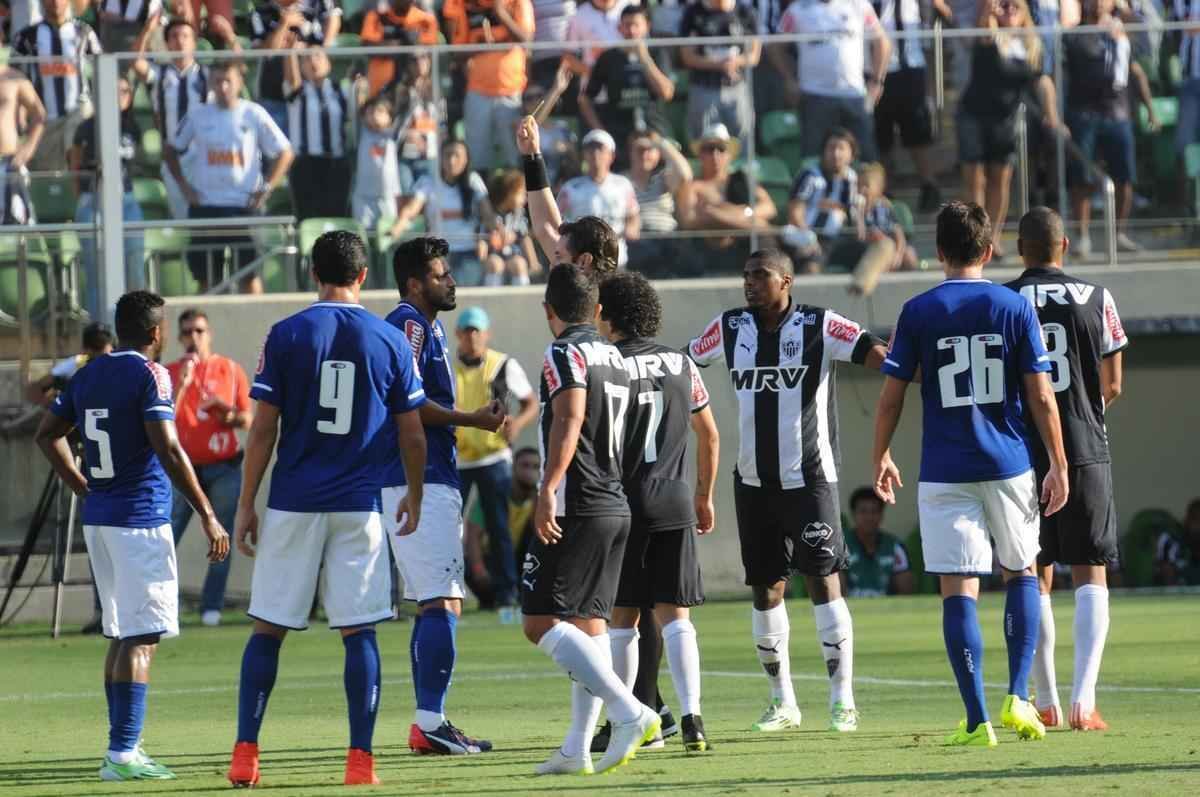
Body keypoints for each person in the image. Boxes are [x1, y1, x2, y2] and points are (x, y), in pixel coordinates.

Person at [227, 231, 427, 787]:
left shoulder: (287, 333)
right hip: (359, 505)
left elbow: (263, 428)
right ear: (364, 276)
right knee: (359, 631)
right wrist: (414, 492)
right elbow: (412, 434)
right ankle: (360, 762)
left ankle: (246, 753)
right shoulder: (389, 340)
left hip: (293, 502)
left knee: (267, 628)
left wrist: (246, 503)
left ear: (313, 274)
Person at [871, 200, 1070, 747]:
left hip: (944, 469)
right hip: (1008, 463)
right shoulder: (1012, 306)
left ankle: (977, 716)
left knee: (958, 589)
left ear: (938, 252)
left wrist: (881, 455)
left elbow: (891, 397)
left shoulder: (917, 310)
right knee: (1021, 571)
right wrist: (1057, 461)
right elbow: (1041, 395)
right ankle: (1017, 698)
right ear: (988, 250)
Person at [686, 248, 886, 734]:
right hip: (753, 482)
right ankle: (783, 702)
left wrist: (911, 369)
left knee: (823, 581)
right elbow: (684, 365)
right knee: (766, 588)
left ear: (786, 281)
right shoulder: (730, 328)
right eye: (746, 276)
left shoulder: (821, 324)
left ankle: (843, 700)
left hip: (810, 480)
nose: (750, 283)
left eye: (760, 276)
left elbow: (877, 354)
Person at [35, 290, 229, 781]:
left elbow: (47, 433)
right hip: (138, 519)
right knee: (141, 637)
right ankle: (122, 754)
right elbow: (167, 446)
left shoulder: (88, 373)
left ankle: (122, 746)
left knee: (123, 633)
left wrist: (80, 484)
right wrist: (206, 511)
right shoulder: (150, 373)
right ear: (156, 332)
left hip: (99, 518)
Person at [523, 263, 660, 776]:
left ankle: (630, 712)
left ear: (548, 311)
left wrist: (548, 487)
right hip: (614, 499)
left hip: (575, 504)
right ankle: (577, 746)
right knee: (589, 623)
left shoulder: (563, 351)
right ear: (597, 310)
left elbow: (570, 415)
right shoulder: (615, 355)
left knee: (539, 622)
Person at [1006, 206, 1129, 731]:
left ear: (1020, 250)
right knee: (1090, 569)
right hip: (1083, 443)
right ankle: (1084, 701)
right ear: (1065, 248)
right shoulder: (1097, 297)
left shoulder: (1004, 299)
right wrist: (1079, 413)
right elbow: (1114, 381)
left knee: (1034, 573)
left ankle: (1049, 701)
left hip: (1021, 449)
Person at [383, 237, 507, 755]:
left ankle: (426, 722)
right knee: (445, 602)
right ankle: (431, 723)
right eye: (440, 274)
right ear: (415, 283)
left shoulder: (428, 327)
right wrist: (472, 418)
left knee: (435, 602)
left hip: (428, 476)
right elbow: (405, 402)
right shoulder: (409, 324)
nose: (451, 280)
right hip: (419, 477)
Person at [597, 271, 720, 753]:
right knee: (677, 619)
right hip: (674, 499)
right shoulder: (681, 362)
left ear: (610, 314)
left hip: (624, 502)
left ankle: (631, 721)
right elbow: (709, 434)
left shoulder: (605, 362)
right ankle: (693, 721)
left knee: (622, 620)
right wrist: (703, 495)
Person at [165, 61, 294, 294]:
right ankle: (203, 326)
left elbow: (285, 151)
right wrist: (185, 187)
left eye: (228, 81)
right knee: (206, 278)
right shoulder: (198, 115)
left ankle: (258, 328)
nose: (223, 86)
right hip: (206, 205)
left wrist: (267, 187)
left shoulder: (253, 113)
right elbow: (171, 149)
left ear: (239, 82)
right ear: (211, 84)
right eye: (217, 81)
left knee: (250, 275)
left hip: (243, 206)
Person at [165, 307, 252, 627]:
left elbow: (247, 419)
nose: (194, 338)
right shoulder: (169, 372)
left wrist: (227, 415)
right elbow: (160, 420)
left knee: (220, 537)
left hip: (223, 466)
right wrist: (183, 384)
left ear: (209, 334)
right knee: (165, 537)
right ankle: (165, 605)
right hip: (182, 470)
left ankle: (211, 607)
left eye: (199, 331)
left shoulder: (230, 370)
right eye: (187, 333)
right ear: (178, 337)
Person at [957, 0, 1062, 260]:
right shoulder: (990, 34)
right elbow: (984, 26)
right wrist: (990, 9)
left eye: (1015, 6)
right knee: (975, 179)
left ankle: (993, 236)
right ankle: (974, 235)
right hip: (974, 115)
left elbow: (1043, 81)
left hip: (1004, 119)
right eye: (1004, 6)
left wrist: (1052, 115)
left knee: (1000, 178)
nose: (1009, 10)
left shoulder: (1030, 45)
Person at [454, 305, 539, 608]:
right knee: (449, 527)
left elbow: (531, 402)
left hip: (494, 457)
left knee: (499, 527)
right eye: (467, 331)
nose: (472, 336)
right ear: (458, 335)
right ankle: (448, 593)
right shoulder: (448, 366)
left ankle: (507, 593)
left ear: (487, 333)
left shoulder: (503, 364)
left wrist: (517, 422)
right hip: (459, 458)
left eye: (477, 330)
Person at [1065, 0, 1157, 255]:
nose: (1097, 3)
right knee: (1081, 177)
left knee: (1124, 176)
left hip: (1117, 112)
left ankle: (1120, 233)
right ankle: (1082, 236)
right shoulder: (1074, 35)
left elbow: (1136, 69)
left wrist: (1149, 107)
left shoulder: (1122, 33)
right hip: (1083, 112)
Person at [773, 0, 891, 162]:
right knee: (813, 157)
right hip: (814, 96)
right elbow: (775, 46)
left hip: (854, 94)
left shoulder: (859, 5)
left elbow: (882, 42)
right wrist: (789, 78)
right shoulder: (798, 9)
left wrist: (877, 80)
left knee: (867, 158)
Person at [71, 75, 144, 318]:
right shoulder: (87, 127)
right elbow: (75, 165)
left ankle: (138, 331)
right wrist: (84, 198)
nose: (121, 96)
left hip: (127, 200)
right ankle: (101, 334)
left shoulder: (132, 126)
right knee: (98, 275)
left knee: (134, 267)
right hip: (93, 202)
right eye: (115, 91)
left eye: (125, 90)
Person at [516, 113, 622, 274]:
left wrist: (533, 156)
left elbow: (547, 228)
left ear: (584, 261)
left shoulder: (601, 290)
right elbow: (546, 227)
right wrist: (532, 155)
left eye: (558, 256)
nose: (553, 262)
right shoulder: (572, 187)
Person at [579, 4, 674, 172]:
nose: (631, 30)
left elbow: (666, 93)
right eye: (627, 25)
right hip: (620, 136)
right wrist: (599, 128)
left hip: (654, 131)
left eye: (636, 25)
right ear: (619, 28)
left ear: (647, 26)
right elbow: (585, 98)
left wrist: (644, 59)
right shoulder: (608, 57)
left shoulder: (658, 53)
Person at [442, 0, 535, 170]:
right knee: (476, 158)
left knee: (515, 157)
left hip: (511, 92)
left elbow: (526, 39)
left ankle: (516, 195)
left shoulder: (518, 3)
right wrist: (483, 46)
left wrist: (500, 12)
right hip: (477, 92)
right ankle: (481, 196)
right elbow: (457, 53)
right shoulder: (465, 5)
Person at [11, 0, 101, 172]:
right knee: (47, 175)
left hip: (77, 117)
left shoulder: (84, 32)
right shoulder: (26, 36)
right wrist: (21, 113)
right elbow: (14, 78)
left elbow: (103, 70)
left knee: (78, 172)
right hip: (43, 121)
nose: (55, 2)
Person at [134, 19, 208, 221]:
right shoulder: (159, 74)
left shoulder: (207, 76)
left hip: (203, 156)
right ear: (167, 43)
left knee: (206, 215)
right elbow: (136, 62)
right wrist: (148, 30)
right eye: (174, 36)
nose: (180, 41)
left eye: (185, 36)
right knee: (182, 218)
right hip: (173, 157)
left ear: (194, 42)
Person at [871, 0, 941, 212]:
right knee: (881, 135)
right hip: (875, 70)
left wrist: (931, 88)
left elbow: (928, 41)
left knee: (917, 133)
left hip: (911, 69)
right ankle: (884, 190)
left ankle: (929, 185)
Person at [677, 123, 776, 275]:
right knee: (761, 226)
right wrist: (744, 217)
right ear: (700, 154)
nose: (715, 155)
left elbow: (769, 207)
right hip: (707, 250)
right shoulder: (693, 187)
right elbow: (688, 220)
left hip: (743, 246)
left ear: (729, 154)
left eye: (721, 149)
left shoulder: (741, 180)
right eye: (709, 149)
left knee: (765, 236)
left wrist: (717, 213)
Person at [393, 139, 493, 286]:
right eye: (447, 155)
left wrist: (490, 234)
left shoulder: (474, 181)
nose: (452, 161)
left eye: (457, 156)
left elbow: (487, 213)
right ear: (440, 158)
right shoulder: (428, 181)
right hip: (437, 254)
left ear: (466, 160)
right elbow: (411, 209)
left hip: (468, 252)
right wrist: (399, 225)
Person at [249, 0, 341, 137]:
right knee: (273, 153)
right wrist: (284, 24)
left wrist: (301, 46)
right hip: (272, 96)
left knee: (305, 147)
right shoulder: (260, 13)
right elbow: (266, 54)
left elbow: (318, 48)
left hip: (304, 99)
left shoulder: (309, 14)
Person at [463, 445, 541, 607]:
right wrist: (478, 569)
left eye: (536, 467)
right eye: (524, 465)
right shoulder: (495, 494)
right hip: (490, 558)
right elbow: (472, 536)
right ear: (513, 468)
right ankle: (493, 598)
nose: (530, 471)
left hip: (520, 557)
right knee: (468, 565)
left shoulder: (539, 498)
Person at [679, 0, 759, 153]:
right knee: (705, 143)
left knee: (744, 142)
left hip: (737, 89)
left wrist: (735, 62)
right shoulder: (693, 13)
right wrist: (718, 65)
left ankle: (740, 177)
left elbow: (754, 55)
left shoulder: (746, 11)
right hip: (704, 88)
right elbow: (687, 56)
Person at [283, 44, 350, 221]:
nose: (313, 61)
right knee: (308, 218)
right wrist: (291, 51)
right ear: (301, 66)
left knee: (335, 216)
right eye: (307, 58)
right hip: (306, 164)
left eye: (318, 56)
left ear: (328, 63)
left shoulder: (340, 91)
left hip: (335, 163)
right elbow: (291, 78)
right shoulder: (298, 91)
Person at [782, 127, 862, 274]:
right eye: (831, 148)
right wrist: (809, 237)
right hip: (811, 239)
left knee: (871, 252)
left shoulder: (852, 179)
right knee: (812, 268)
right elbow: (795, 214)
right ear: (823, 152)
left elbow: (853, 213)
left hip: (838, 240)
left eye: (841, 148)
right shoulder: (811, 176)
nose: (836, 154)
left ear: (851, 154)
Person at [556, 129, 640, 268]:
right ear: (584, 155)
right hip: (580, 261)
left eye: (600, 149)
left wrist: (631, 228)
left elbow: (633, 215)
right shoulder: (571, 188)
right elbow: (556, 219)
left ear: (611, 155)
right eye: (590, 149)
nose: (595, 154)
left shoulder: (623, 185)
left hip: (616, 259)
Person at [623, 130, 693, 278]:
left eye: (650, 150)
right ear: (630, 152)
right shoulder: (621, 182)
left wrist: (660, 143)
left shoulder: (664, 179)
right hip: (638, 242)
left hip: (667, 239)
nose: (645, 154)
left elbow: (686, 175)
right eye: (640, 150)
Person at [842, 486, 914, 597]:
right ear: (853, 514)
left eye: (874, 511)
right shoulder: (841, 546)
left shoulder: (895, 546)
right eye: (863, 511)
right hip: (850, 610)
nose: (869, 517)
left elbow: (906, 592)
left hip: (888, 611)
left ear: (881, 515)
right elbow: (836, 590)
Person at [359, 0, 439, 100]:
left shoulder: (425, 20)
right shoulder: (376, 17)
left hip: (415, 90)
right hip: (381, 91)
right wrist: (404, 43)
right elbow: (367, 46)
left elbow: (429, 52)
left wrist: (390, 45)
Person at [0, 43, 43, 226]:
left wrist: (28, 147)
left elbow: (38, 114)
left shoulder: (13, 78)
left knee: (17, 225)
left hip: (8, 163)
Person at [25, 321, 113, 407]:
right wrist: (54, 405)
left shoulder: (117, 363)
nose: (99, 352)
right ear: (86, 349)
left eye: (102, 346)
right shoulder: (80, 361)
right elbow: (36, 388)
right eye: (95, 347)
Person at [351, 95, 404, 234]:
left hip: (388, 197)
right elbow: (355, 111)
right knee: (363, 237)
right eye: (370, 112)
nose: (375, 115)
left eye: (380, 111)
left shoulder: (394, 135)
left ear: (390, 117)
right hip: (364, 197)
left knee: (388, 238)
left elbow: (407, 116)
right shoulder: (361, 133)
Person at [484, 169, 540, 285]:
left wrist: (533, 262)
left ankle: (522, 298)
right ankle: (492, 297)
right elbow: (483, 236)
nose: (525, 197)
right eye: (521, 193)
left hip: (513, 254)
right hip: (494, 253)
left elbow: (524, 238)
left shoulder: (518, 215)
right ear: (509, 194)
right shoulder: (492, 215)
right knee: (494, 264)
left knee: (519, 265)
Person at [859, 162, 918, 271]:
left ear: (879, 188)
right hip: (869, 250)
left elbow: (898, 234)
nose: (863, 190)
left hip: (890, 247)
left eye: (867, 185)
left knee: (909, 254)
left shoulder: (884, 208)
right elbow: (859, 235)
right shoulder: (855, 209)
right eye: (859, 185)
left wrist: (898, 255)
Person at [1155, 499, 1200, 585]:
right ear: (1187, 520)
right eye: (1196, 520)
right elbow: (1169, 580)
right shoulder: (1170, 539)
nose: (1198, 526)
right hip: (1176, 595)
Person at [96, 0, 161, 54]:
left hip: (136, 52)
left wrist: (120, 20)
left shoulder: (151, 2)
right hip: (108, 52)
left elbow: (151, 27)